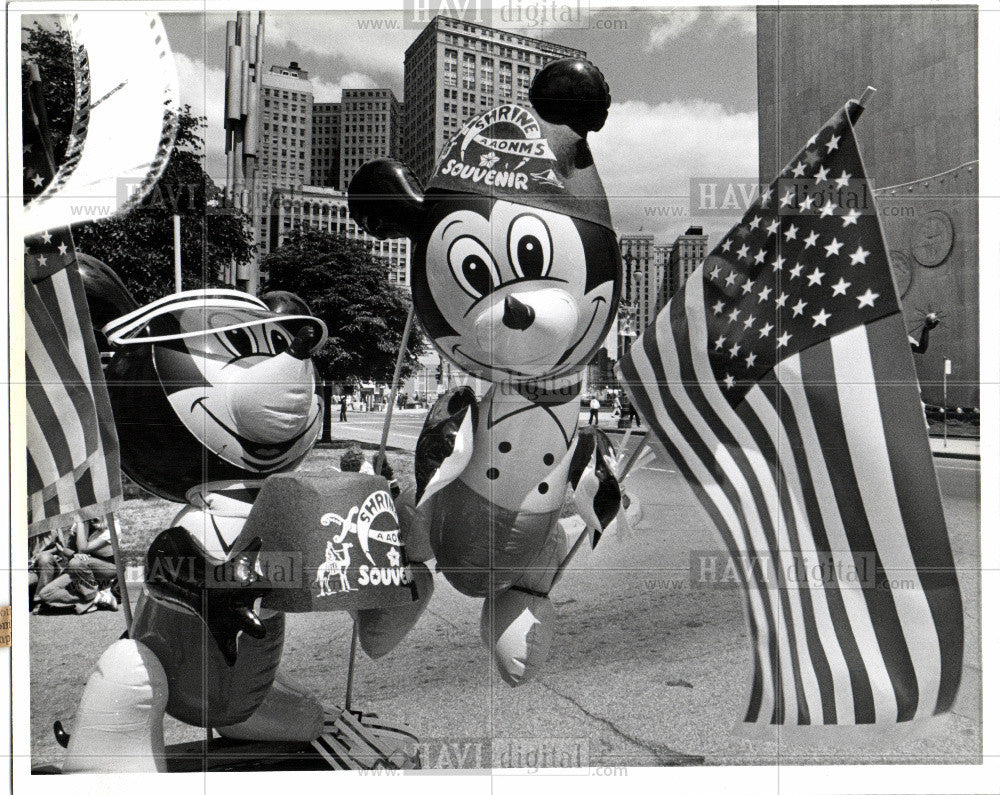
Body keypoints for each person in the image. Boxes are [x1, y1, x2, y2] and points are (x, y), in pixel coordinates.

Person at [31, 518, 119, 614]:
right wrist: (69, 552)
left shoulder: (113, 526)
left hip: (106, 568)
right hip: (80, 568)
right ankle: (98, 597)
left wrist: (80, 522)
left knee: (75, 562)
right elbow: (69, 550)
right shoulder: (81, 524)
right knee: (45, 594)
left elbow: (82, 549)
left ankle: (94, 594)